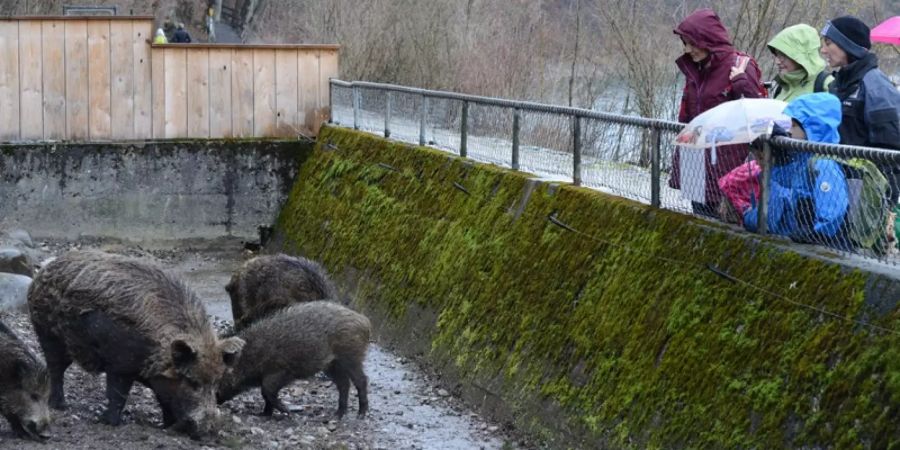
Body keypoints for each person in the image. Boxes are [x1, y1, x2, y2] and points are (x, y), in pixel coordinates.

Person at [668, 8, 766, 218]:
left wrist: (741, 82)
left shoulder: (740, 66)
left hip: (726, 163)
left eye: (692, 42)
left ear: (708, 39)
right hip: (694, 158)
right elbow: (688, 116)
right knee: (699, 220)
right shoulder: (696, 70)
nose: (688, 49)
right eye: (685, 43)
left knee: (728, 225)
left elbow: (758, 112)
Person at [741, 93, 849, 248]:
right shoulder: (803, 159)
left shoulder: (824, 164)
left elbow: (833, 209)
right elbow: (781, 182)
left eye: (794, 125)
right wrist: (778, 159)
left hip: (824, 244)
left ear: (812, 127)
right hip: (805, 237)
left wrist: (817, 233)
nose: (790, 130)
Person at [820, 16, 900, 203]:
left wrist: (883, 196)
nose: (823, 50)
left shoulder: (876, 86)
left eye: (829, 43)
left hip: (867, 189)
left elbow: (891, 146)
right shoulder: (837, 84)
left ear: (847, 46)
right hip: (838, 182)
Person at [767, 24, 833, 101]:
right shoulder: (783, 85)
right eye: (777, 55)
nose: (777, 62)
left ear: (802, 56)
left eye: (783, 55)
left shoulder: (826, 86)